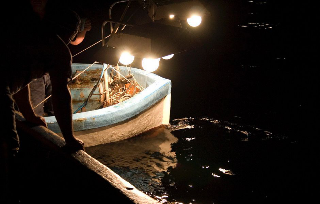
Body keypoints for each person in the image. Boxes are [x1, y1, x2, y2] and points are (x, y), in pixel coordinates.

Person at [1, 3, 84, 203]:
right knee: (7, 146)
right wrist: (70, 139)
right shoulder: (58, 49)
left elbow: (21, 78)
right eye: (72, 33)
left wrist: (29, 116)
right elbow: (60, 95)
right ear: (69, 31)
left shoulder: (26, 31)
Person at [29, 0, 92, 116]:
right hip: (33, 72)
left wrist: (83, 31)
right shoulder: (23, 19)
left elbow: (73, 41)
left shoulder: (56, 17)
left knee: (55, 102)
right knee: (35, 107)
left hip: (51, 67)